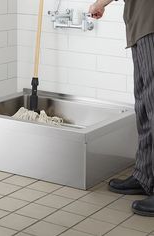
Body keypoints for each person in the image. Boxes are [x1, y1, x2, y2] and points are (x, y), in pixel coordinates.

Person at [89, 0, 154, 217]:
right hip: (142, 24)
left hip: (150, 22)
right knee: (144, 104)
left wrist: (100, 3)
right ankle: (145, 176)